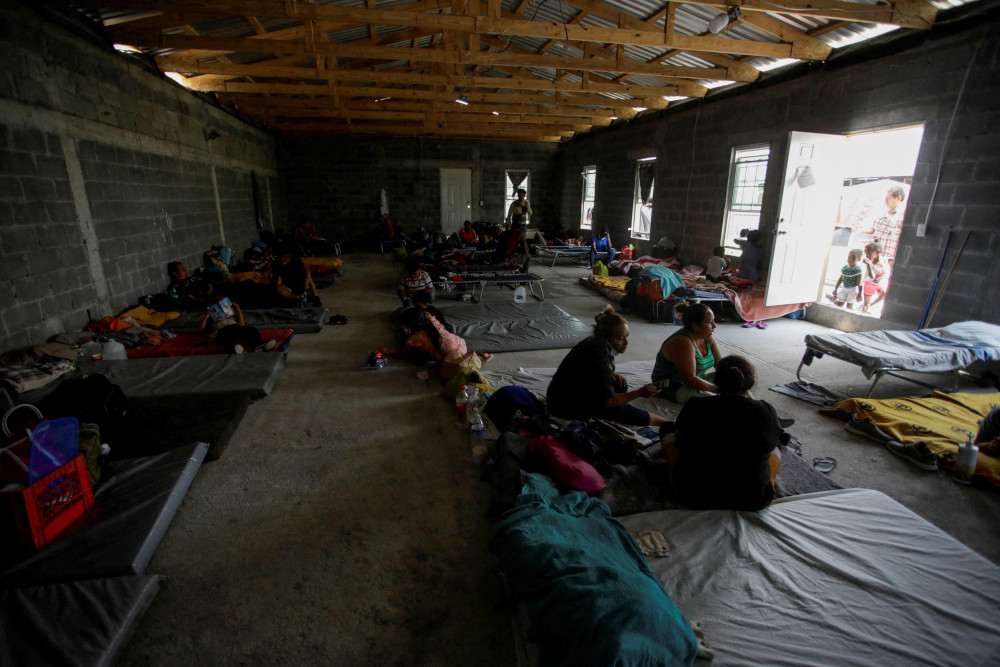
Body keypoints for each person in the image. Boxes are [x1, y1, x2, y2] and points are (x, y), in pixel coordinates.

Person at [664, 355, 785, 510]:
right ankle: (769, 483)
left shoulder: (695, 406)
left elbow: (680, 441)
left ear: (715, 382)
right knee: (778, 443)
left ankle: (675, 476)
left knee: (667, 429)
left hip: (692, 494)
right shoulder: (765, 411)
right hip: (752, 499)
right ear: (751, 383)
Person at [546, 306, 669, 427]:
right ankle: (665, 423)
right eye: (620, 338)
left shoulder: (595, 343)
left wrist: (611, 374)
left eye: (627, 336)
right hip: (563, 406)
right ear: (606, 338)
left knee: (620, 386)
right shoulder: (598, 358)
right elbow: (607, 401)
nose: (626, 342)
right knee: (618, 409)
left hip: (561, 393)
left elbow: (587, 370)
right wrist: (639, 393)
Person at [378, 292, 491, 365]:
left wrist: (386, 353)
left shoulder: (419, 333)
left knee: (420, 355)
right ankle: (478, 354)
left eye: (418, 306)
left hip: (449, 350)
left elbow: (400, 353)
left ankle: (473, 357)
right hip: (458, 342)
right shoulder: (430, 320)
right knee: (453, 348)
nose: (417, 308)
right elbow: (441, 329)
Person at [651, 302, 721, 405]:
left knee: (739, 383)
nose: (714, 326)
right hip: (672, 387)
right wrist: (719, 390)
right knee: (721, 402)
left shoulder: (707, 337)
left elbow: (721, 365)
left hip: (697, 380)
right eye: (710, 322)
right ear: (695, 325)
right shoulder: (682, 342)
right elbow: (690, 379)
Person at [198, 297, 274, 353]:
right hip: (222, 332)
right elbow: (201, 331)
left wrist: (238, 310)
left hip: (235, 328)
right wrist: (205, 317)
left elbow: (242, 325)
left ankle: (258, 346)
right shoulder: (212, 321)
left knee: (252, 330)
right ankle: (236, 350)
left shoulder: (230, 318)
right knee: (228, 336)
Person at [870, 185, 905, 266]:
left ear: (898, 198)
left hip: (890, 259)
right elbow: (873, 231)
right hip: (876, 257)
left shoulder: (904, 216)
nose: (886, 201)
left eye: (888, 198)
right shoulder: (883, 213)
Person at [861, 242, 886, 314]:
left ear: (877, 252)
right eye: (866, 254)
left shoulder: (883, 261)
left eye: (869, 254)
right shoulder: (870, 262)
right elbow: (872, 276)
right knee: (866, 303)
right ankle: (865, 308)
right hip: (870, 284)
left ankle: (869, 306)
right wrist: (868, 265)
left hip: (878, 284)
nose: (867, 256)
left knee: (884, 295)